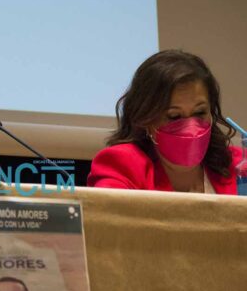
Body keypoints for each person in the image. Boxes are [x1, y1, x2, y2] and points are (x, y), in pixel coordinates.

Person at [88, 50, 242, 194]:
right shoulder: (121, 165)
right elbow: (107, 212)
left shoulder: (239, 164)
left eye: (200, 112)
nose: (191, 128)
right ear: (146, 119)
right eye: (174, 116)